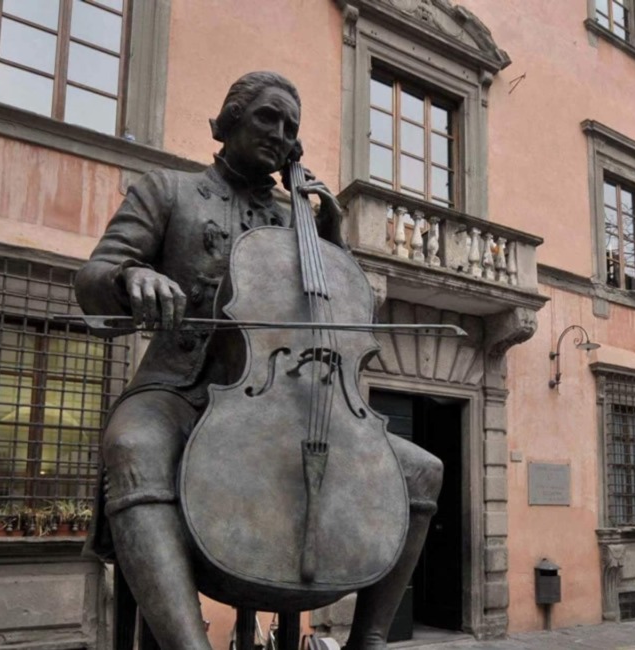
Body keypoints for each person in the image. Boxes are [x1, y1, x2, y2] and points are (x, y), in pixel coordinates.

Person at [75, 71, 442, 650]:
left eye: (291, 127)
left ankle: (367, 640)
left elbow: (334, 313)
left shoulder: (296, 220)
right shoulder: (168, 190)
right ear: (230, 120)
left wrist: (331, 236)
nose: (280, 133)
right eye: (267, 117)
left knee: (422, 470)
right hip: (179, 387)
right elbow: (95, 275)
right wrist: (131, 275)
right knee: (132, 446)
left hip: (282, 403)